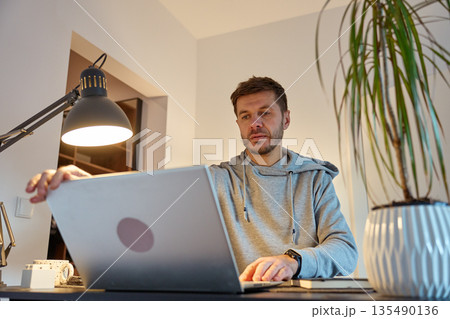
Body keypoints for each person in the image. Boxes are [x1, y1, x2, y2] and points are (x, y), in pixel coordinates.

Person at [26, 76, 358, 282]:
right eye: (246, 116)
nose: (255, 123)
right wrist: (86, 182)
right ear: (239, 124)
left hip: (296, 302)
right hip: (233, 302)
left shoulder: (315, 178)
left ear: (286, 118)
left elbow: (344, 250)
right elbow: (150, 193)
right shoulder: (220, 178)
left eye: (265, 112)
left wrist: (293, 260)